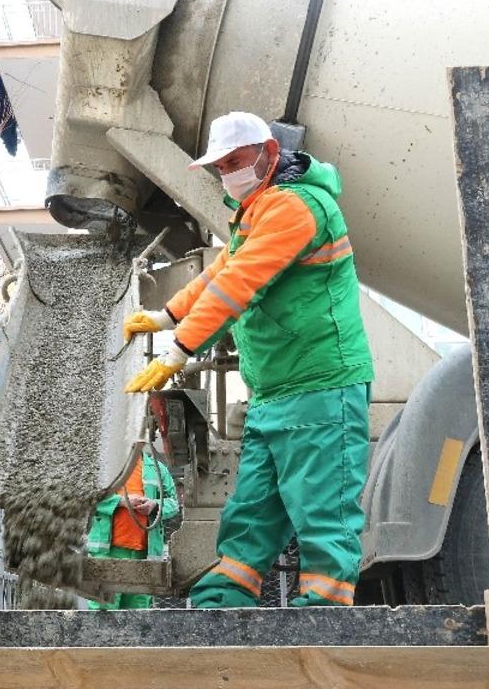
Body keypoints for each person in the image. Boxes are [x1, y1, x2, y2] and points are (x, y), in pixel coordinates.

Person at [123, 111, 373, 608]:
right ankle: (221, 604)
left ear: (270, 153)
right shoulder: (257, 211)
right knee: (251, 512)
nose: (228, 174)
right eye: (221, 167)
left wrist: (179, 349)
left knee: (322, 512)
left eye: (235, 162)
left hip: (321, 387)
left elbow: (240, 283)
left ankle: (323, 619)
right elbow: (220, 272)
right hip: (275, 393)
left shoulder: (296, 207)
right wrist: (166, 316)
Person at [85, 449, 179, 610]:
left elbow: (174, 503)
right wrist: (121, 501)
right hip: (108, 554)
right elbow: (87, 496)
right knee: (103, 611)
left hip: (143, 556)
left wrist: (154, 505)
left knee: (137, 613)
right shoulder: (105, 464)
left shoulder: (157, 468)